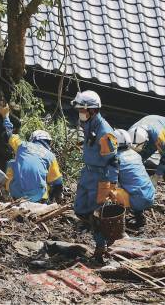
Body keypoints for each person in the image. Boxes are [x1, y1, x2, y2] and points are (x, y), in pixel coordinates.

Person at [71, 90, 120, 262]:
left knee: (98, 214)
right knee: (80, 208)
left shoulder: (105, 132)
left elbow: (114, 161)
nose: (80, 114)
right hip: (88, 173)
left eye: (81, 110)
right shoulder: (89, 124)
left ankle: (101, 248)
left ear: (92, 110)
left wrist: (112, 185)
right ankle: (94, 229)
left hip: (101, 177)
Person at [0, 105, 63, 203]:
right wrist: (57, 199)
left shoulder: (23, 145)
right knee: (50, 180)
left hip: (17, 193)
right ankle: (44, 202)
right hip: (37, 197)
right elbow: (58, 183)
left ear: (33, 139)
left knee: (11, 163)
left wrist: (5, 115)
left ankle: (6, 193)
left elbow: (9, 134)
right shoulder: (50, 156)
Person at [127, 115, 165, 214]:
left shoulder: (159, 136)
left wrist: (156, 176)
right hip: (149, 135)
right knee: (136, 160)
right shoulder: (130, 134)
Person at [113, 129, 156, 229]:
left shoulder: (116, 158)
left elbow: (112, 180)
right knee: (134, 184)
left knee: (109, 189)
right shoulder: (136, 155)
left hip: (137, 199)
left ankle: (117, 219)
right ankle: (139, 217)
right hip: (149, 195)